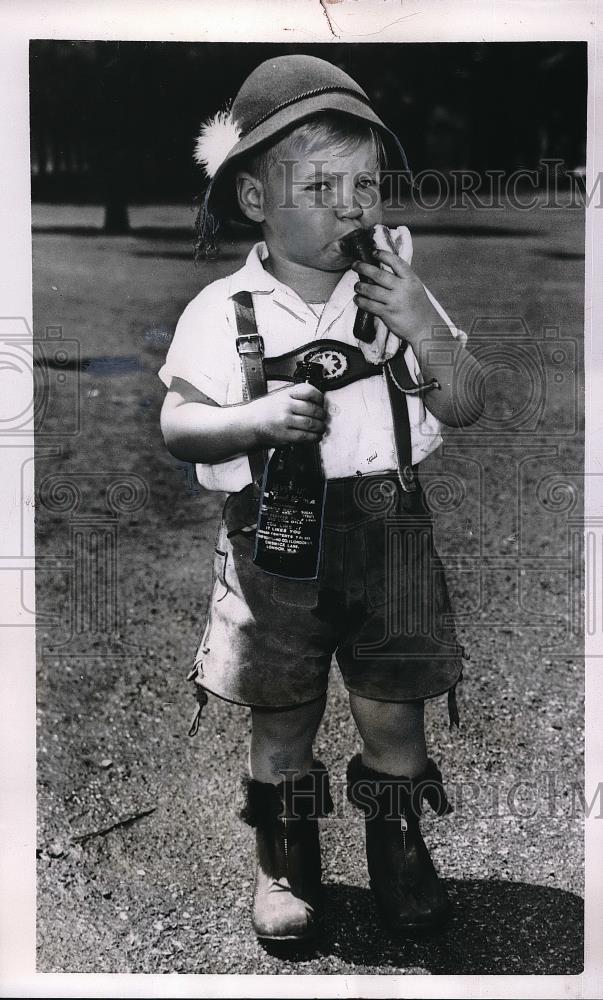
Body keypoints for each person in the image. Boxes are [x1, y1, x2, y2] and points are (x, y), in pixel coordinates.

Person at [159, 54, 485, 944]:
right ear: (257, 199)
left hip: (391, 535)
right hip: (276, 544)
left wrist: (422, 325)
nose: (354, 204)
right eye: (323, 184)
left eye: (367, 184)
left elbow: (464, 400)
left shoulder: (394, 293)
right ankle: (282, 860)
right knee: (283, 709)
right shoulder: (223, 310)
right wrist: (252, 418)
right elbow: (179, 425)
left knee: (393, 705)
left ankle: (398, 844)